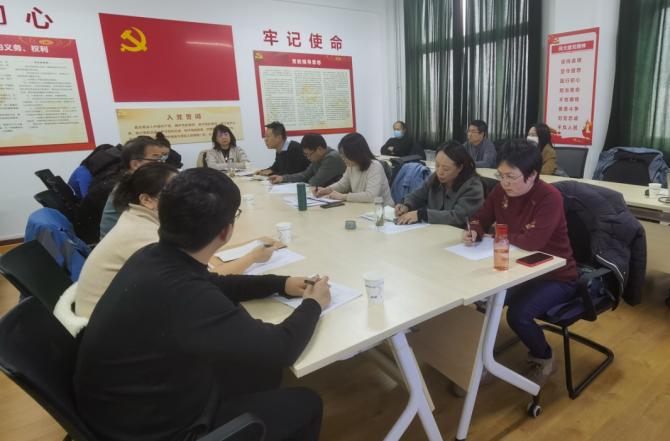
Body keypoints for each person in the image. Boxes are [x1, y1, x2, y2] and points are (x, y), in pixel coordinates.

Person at [74, 168, 330, 441]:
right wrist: (313, 304)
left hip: (123, 404)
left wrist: (280, 283)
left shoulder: (153, 255)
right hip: (155, 429)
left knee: (262, 371)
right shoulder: (185, 294)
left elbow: (214, 282)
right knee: (306, 402)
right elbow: (281, 348)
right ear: (226, 230)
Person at [75, 163, 282, 319]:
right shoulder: (143, 236)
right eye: (172, 192)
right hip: (120, 330)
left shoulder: (138, 219)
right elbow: (204, 280)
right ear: (146, 200)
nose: (182, 196)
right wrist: (252, 257)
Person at [463, 139, 577, 386]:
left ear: (532, 175)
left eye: (511, 177)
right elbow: (480, 217)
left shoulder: (550, 197)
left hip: (555, 275)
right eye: (501, 175)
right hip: (516, 268)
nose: (504, 183)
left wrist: (497, 234)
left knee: (519, 314)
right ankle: (477, 361)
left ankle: (544, 357)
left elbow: (533, 241)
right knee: (484, 301)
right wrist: (475, 230)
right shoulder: (500, 192)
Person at [394, 142, 484, 226]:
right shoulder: (435, 178)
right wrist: (407, 206)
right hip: (432, 230)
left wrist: (422, 215)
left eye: (446, 169)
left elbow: (458, 217)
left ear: (460, 167)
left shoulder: (473, 186)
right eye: (437, 165)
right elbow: (417, 195)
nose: (440, 172)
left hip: (458, 234)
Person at [98, 136, 170, 239]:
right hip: (126, 243)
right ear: (135, 164)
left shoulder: (137, 181)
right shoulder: (129, 187)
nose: (161, 165)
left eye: (162, 159)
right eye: (156, 159)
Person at [314, 132, 394, 205]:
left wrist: (343, 196)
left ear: (356, 153)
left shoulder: (375, 167)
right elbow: (343, 185)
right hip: (364, 208)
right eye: (342, 156)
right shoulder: (352, 166)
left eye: (346, 156)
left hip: (383, 210)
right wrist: (327, 190)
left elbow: (371, 196)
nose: (343, 159)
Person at [268, 133, 346, 187]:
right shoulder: (317, 157)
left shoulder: (332, 158)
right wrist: (282, 178)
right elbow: (305, 175)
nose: (308, 158)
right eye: (306, 155)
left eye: (309, 154)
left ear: (319, 149)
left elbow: (315, 182)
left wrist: (307, 180)